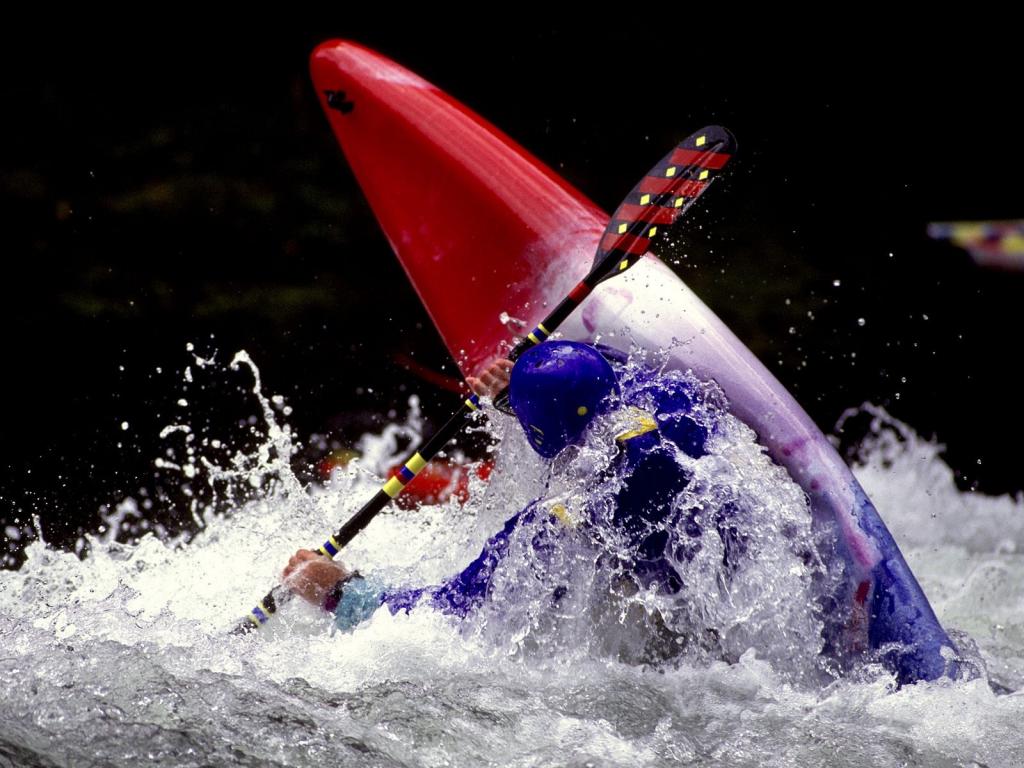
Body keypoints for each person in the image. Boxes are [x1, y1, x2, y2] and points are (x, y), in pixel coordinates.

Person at [283, 341, 743, 649]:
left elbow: (450, 613)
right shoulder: (674, 397)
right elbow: (604, 364)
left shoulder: (565, 514)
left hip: (684, 633)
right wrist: (534, 364)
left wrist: (339, 593)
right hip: (737, 582)